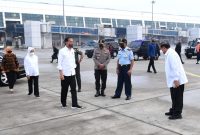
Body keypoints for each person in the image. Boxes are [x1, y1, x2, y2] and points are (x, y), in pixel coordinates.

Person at [160, 42, 188, 120]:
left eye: (161, 48)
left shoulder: (171, 54)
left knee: (178, 97)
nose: (161, 50)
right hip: (173, 80)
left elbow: (175, 67)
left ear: (164, 47)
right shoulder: (169, 53)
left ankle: (177, 113)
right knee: (174, 96)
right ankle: (173, 110)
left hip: (177, 80)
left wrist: (176, 79)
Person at [57, 37, 83, 109]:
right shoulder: (62, 51)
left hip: (72, 73)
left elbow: (72, 61)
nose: (72, 43)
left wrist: (75, 67)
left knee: (74, 90)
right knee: (64, 90)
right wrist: (61, 74)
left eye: (72, 41)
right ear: (66, 42)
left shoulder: (73, 50)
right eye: (70, 42)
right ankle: (63, 104)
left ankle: (74, 104)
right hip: (65, 74)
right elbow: (59, 64)